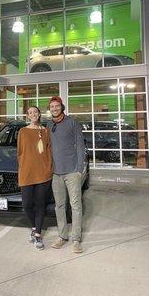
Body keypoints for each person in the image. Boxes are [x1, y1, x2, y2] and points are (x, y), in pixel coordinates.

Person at [47, 96, 85, 253]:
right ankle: (62, 236)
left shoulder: (72, 122)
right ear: (50, 109)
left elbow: (80, 145)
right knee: (59, 206)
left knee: (75, 205)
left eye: (57, 106)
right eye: (52, 107)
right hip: (55, 173)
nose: (55, 109)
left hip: (71, 172)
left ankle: (76, 239)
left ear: (62, 107)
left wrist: (79, 168)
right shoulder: (49, 124)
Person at [17, 106, 52, 251]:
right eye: (30, 113)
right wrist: (22, 169)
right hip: (27, 173)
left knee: (40, 205)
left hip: (43, 173)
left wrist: (49, 168)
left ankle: (38, 233)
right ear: (28, 116)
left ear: (39, 114)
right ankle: (34, 226)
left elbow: (49, 151)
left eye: (35, 112)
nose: (33, 114)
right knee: (26, 205)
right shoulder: (23, 131)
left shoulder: (45, 131)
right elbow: (19, 153)